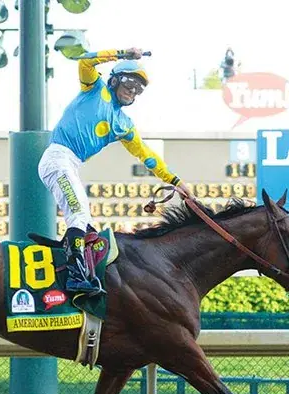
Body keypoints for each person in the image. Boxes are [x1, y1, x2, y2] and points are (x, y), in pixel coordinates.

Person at [38, 47, 191, 295]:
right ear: (114, 80)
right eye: (129, 83)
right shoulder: (95, 89)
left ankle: (73, 270)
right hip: (57, 158)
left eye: (138, 88)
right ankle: (75, 274)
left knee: (88, 229)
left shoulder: (124, 125)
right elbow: (86, 61)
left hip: (71, 164)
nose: (133, 91)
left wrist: (174, 180)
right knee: (78, 212)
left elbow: (147, 156)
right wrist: (122, 54)